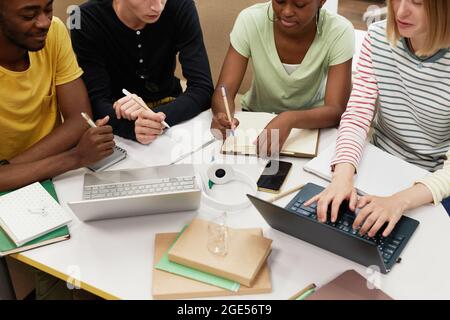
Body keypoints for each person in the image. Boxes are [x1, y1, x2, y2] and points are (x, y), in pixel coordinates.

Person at [0, 0, 115, 300]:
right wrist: (75, 157)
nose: (44, 22)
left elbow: (79, 119)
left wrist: (10, 168)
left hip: (48, 174)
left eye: (48, 9)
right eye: (29, 14)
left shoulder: (54, 32)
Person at [305, 0, 450, 237]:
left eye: (417, 2)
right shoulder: (378, 37)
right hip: (378, 159)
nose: (400, 11)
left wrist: (398, 201)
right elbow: (357, 114)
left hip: (431, 179)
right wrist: (342, 177)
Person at [210, 0, 354, 156]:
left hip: (313, 126)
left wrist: (290, 118)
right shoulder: (250, 20)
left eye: (299, 5)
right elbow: (224, 90)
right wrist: (222, 115)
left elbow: (337, 109)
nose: (287, 11)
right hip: (255, 120)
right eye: (279, 1)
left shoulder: (339, 31)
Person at [71, 0, 214, 145]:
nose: (158, 7)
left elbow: (203, 88)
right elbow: (96, 102)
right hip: (117, 119)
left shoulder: (181, 5)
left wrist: (155, 120)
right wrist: (132, 128)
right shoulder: (82, 17)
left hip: (172, 109)